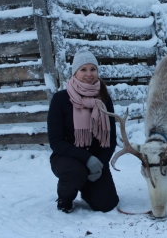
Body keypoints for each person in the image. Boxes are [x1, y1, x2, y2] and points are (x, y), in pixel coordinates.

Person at [47, 49, 119, 213]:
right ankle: (65, 198)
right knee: (75, 172)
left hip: (96, 160)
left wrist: (101, 163)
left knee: (107, 204)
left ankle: (87, 189)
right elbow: (56, 141)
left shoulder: (104, 98)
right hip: (67, 158)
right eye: (83, 69)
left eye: (93, 69)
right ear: (75, 72)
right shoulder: (61, 99)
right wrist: (87, 159)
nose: (89, 74)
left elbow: (111, 138)